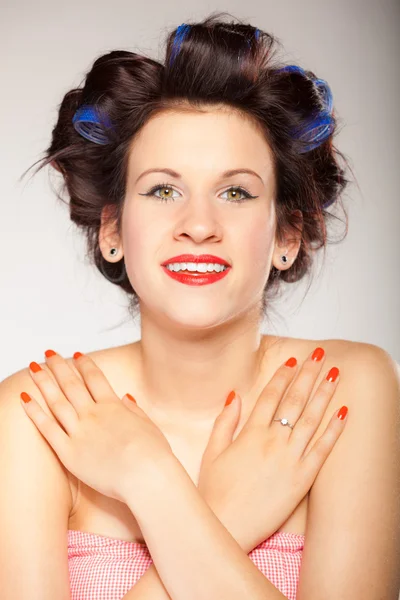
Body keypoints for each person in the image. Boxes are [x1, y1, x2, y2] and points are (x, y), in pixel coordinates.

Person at [1, 12, 400, 600]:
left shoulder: (341, 391)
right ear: (112, 227)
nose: (198, 225)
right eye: (163, 189)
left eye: (236, 192)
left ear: (287, 235)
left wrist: (153, 487)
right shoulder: (38, 415)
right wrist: (213, 505)